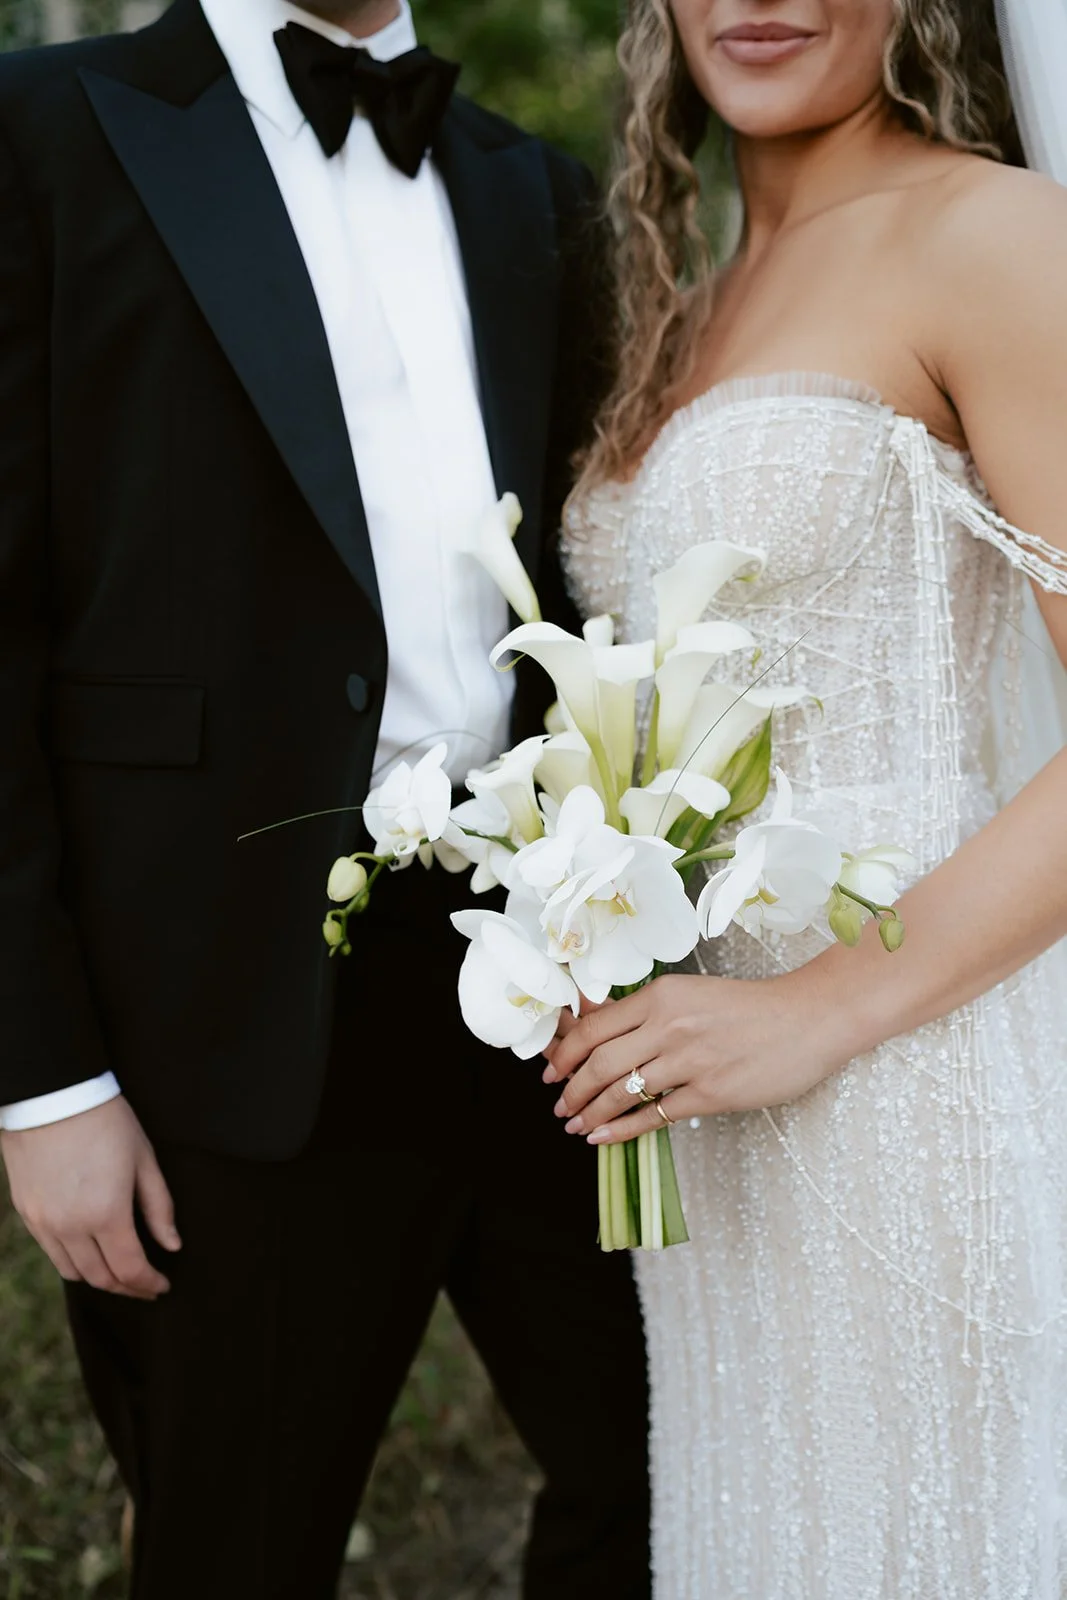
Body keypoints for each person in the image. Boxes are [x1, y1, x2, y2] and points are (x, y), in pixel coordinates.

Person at [0, 2, 651, 1595]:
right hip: (214, 1008)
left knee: (662, 1479)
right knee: (238, 1546)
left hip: (547, 989)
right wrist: (44, 1080)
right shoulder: (42, 134)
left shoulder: (532, 188)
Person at [550, 0, 1067, 1593]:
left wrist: (817, 1011)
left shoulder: (990, 235)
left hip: (911, 1070)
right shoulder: (684, 304)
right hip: (701, 1122)